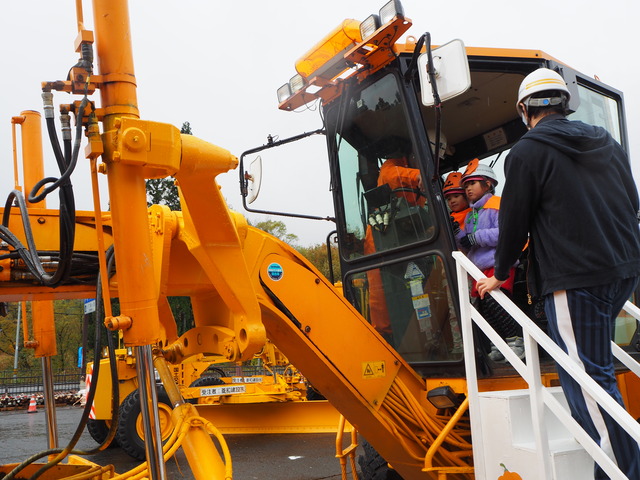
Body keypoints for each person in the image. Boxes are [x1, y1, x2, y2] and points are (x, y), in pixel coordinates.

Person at [476, 67, 640, 479]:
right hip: (623, 270)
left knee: (587, 379)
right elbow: (632, 201)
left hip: (574, 278)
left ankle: (623, 471)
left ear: (523, 109)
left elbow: (514, 222)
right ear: (567, 103)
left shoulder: (526, 152)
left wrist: (500, 272)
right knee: (591, 369)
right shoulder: (605, 141)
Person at [456, 159, 521, 361]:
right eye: (465, 185)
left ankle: (517, 342)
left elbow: (506, 233)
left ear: (488, 184)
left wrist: (476, 237)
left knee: (497, 304)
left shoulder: (498, 204)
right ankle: (498, 345)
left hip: (499, 264)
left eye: (472, 184)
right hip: (479, 268)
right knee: (485, 308)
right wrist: (456, 231)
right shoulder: (470, 215)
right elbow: (467, 243)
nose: (468, 189)